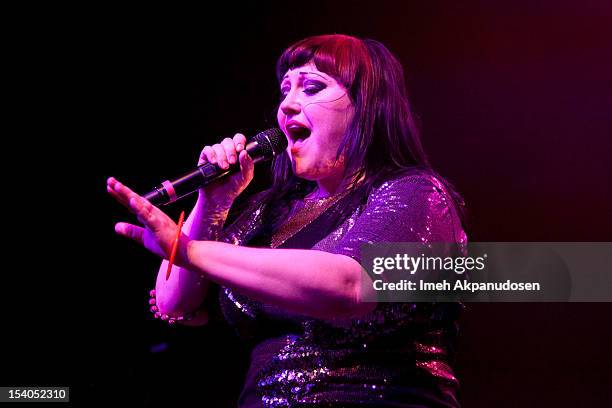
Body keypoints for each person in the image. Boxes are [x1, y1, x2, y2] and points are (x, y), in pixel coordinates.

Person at [108, 34, 468, 408]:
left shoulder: (416, 193)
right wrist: (212, 203)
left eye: (311, 87)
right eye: (285, 91)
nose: (288, 105)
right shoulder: (272, 212)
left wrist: (190, 250)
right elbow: (174, 302)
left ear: (366, 106)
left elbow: (348, 284)